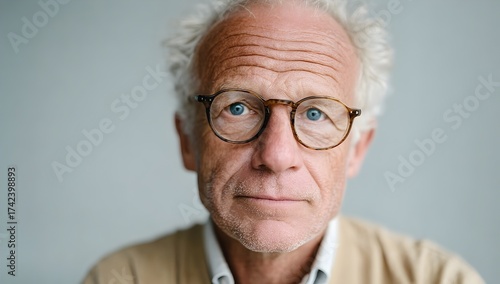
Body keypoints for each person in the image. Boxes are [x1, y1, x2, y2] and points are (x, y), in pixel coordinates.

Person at [83, 0, 484, 283]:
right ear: (189, 139)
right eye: (238, 108)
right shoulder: (120, 279)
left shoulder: (438, 279)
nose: (276, 156)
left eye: (315, 114)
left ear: (357, 150)